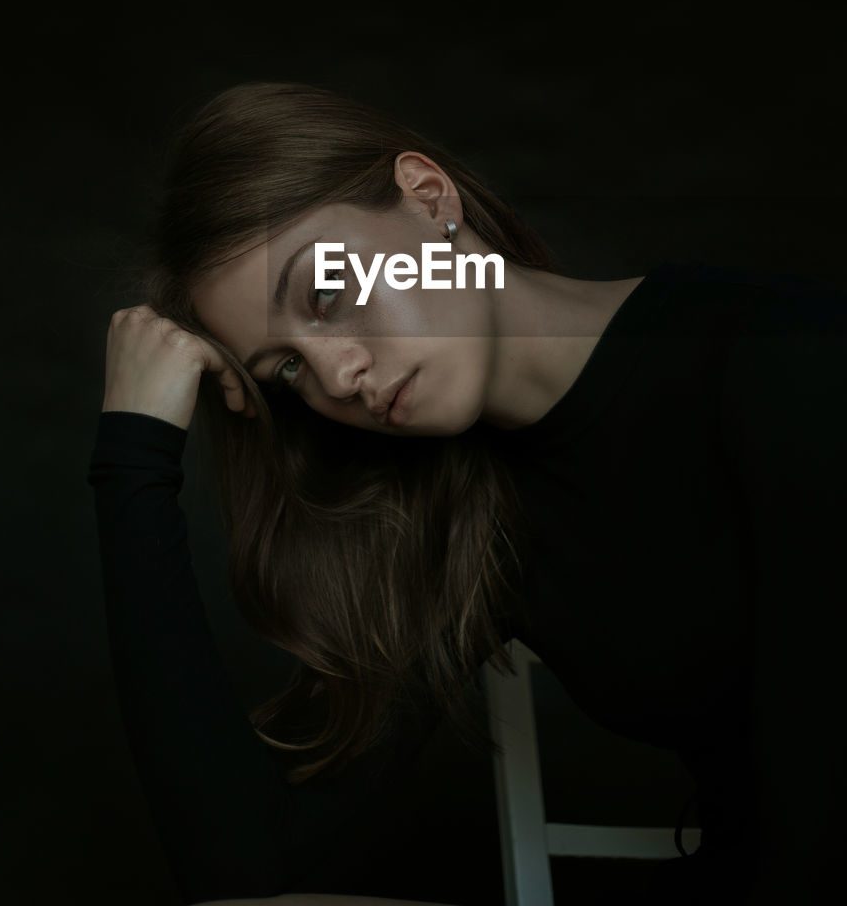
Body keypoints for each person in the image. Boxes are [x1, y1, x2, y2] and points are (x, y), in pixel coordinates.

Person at [87, 80, 846, 906]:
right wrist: (136, 455)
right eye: (288, 371)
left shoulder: (783, 356)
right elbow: (241, 863)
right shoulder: (461, 515)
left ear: (428, 198)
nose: (338, 376)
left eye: (328, 295)